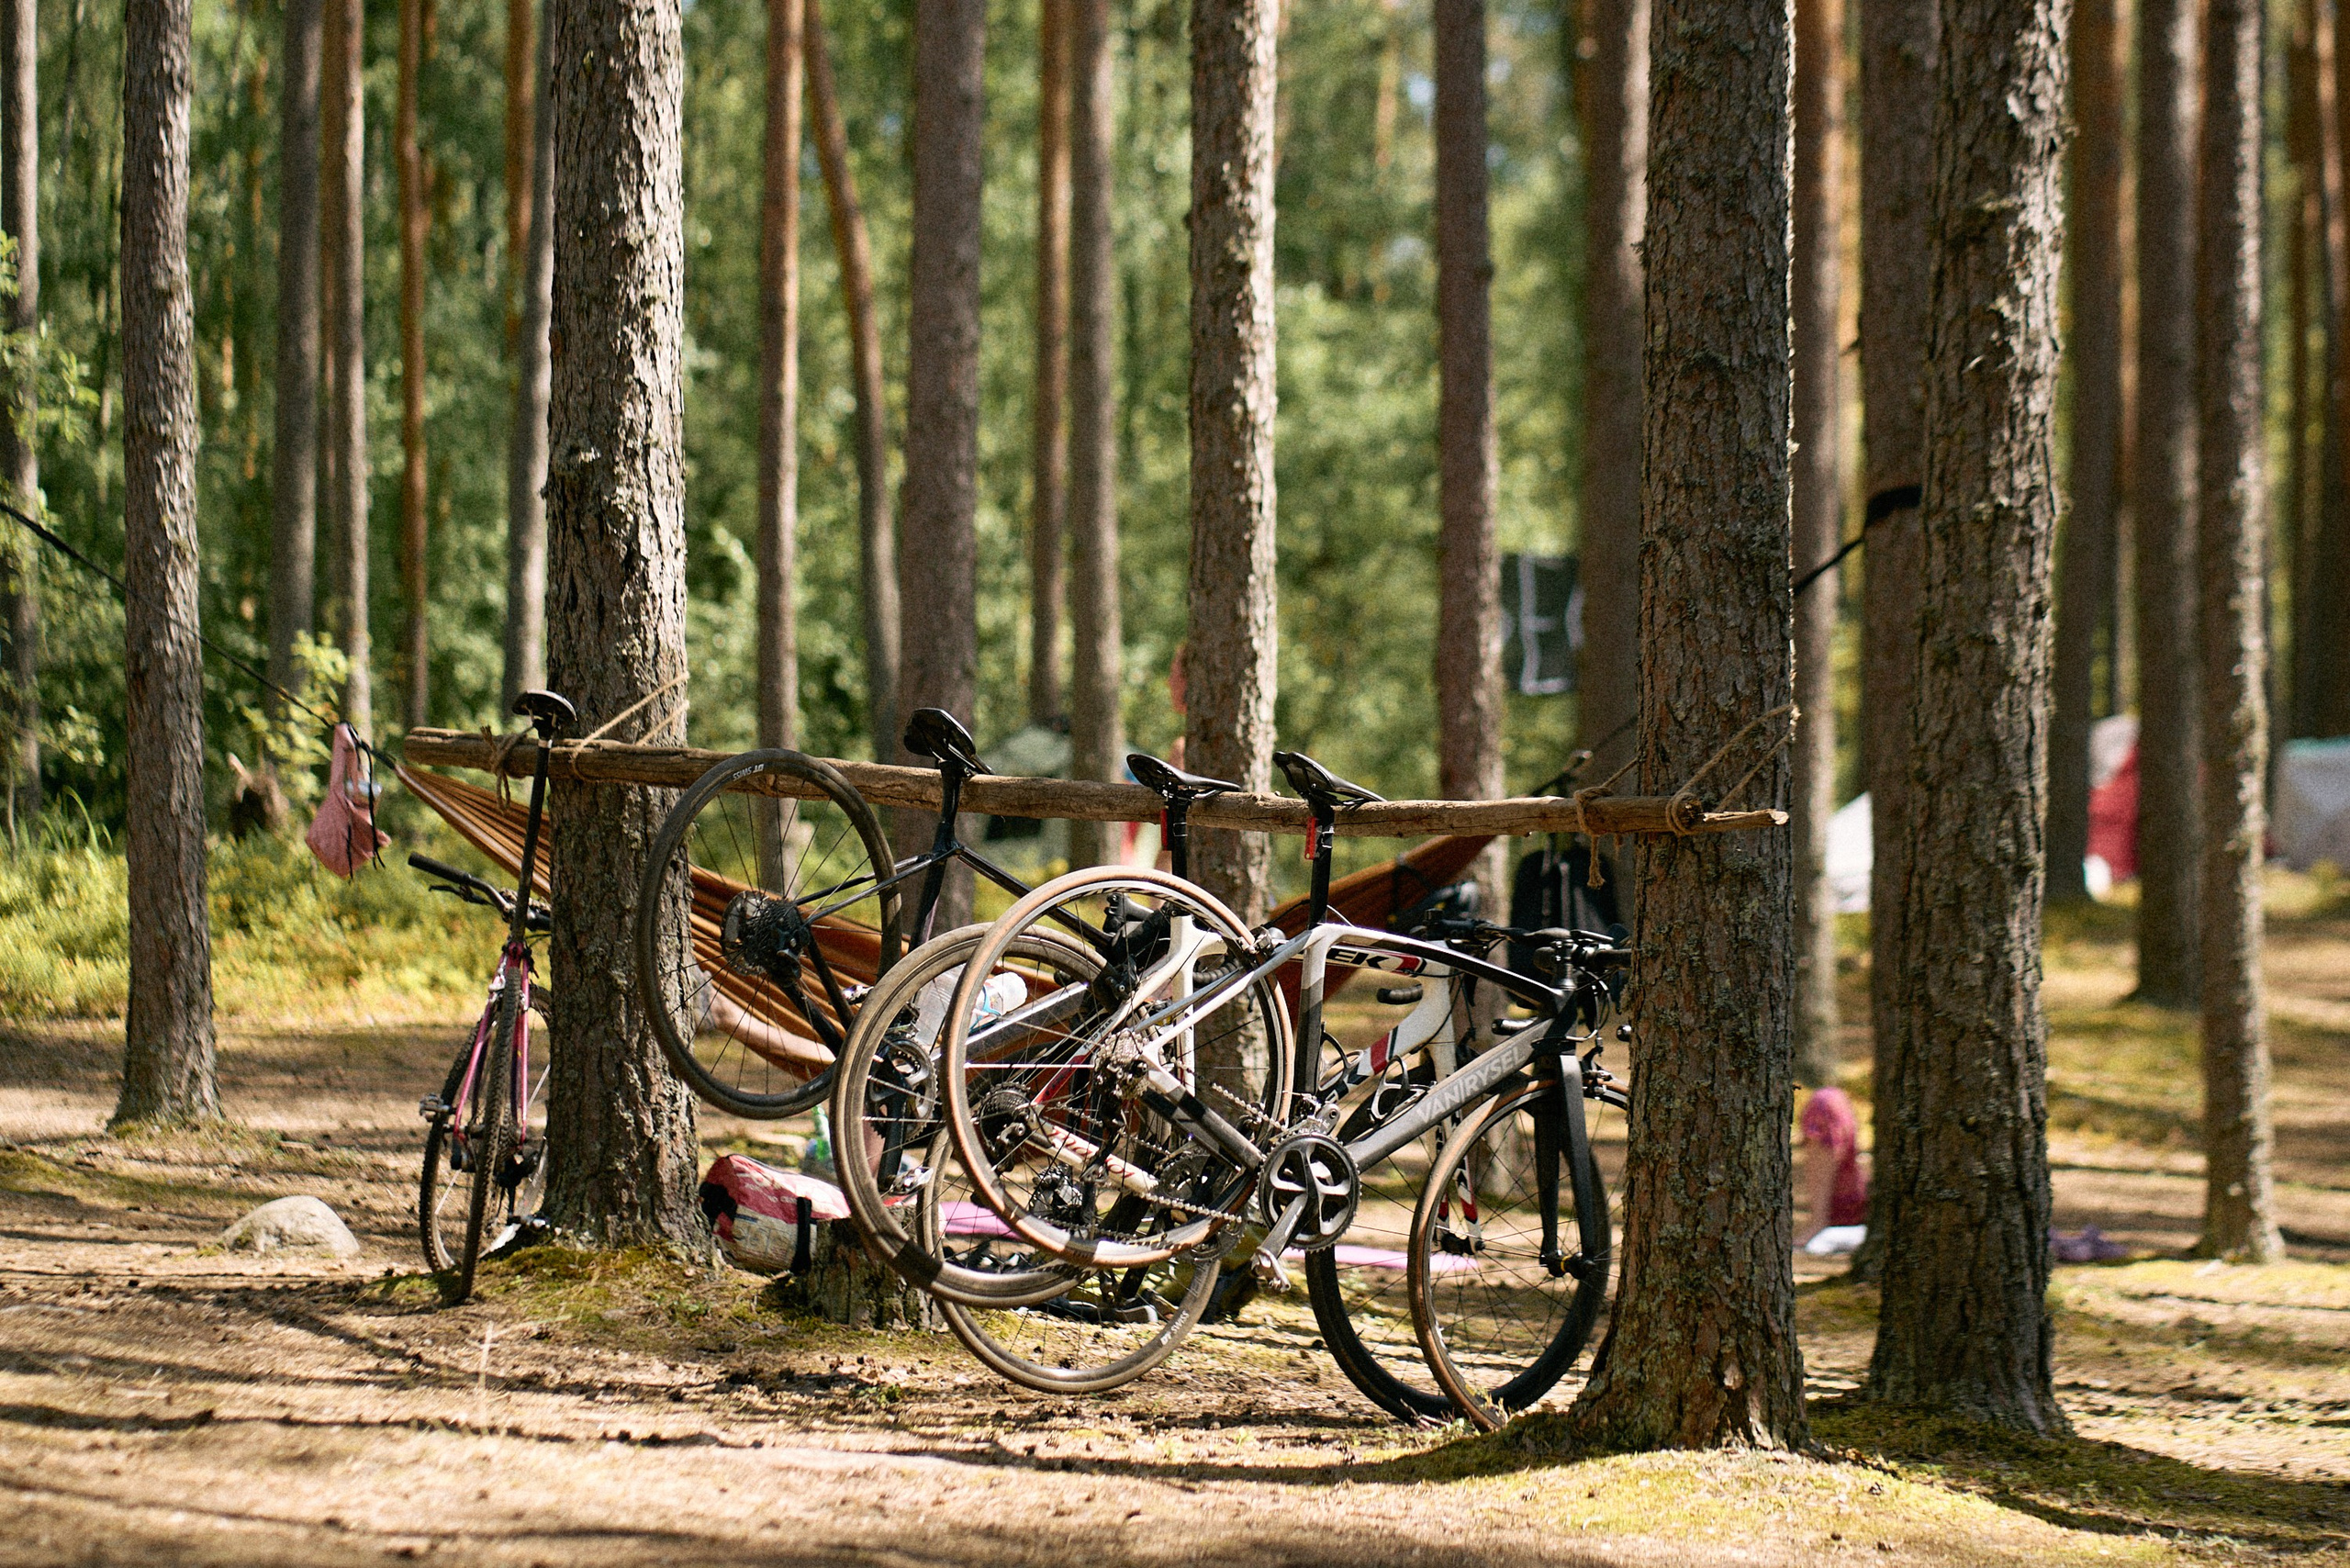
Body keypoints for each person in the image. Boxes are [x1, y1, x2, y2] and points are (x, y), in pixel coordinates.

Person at [1799, 1085, 1868, 1255]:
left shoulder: (1823, 1103)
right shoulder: (1832, 1098)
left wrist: (1817, 1222)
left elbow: (1823, 1148)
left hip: (1844, 1228)